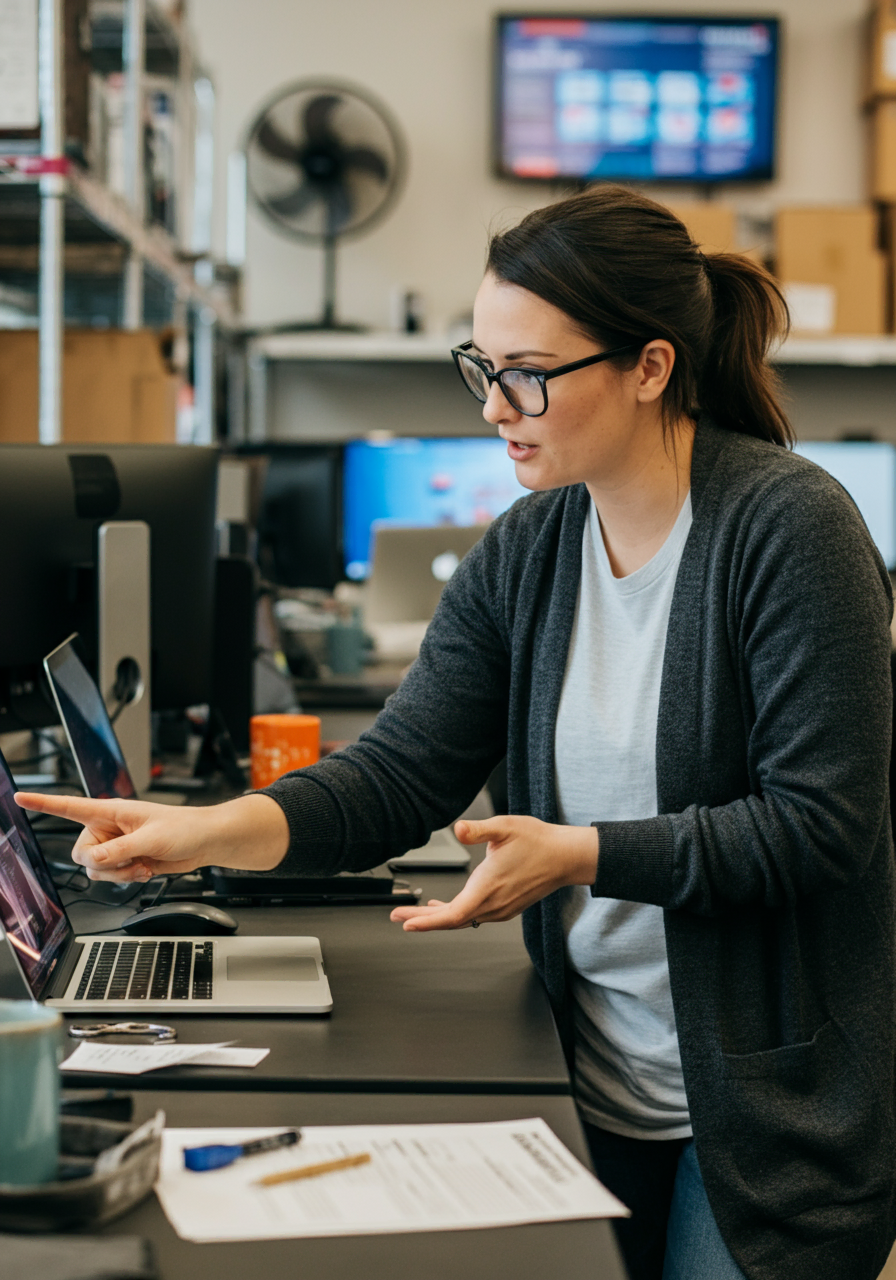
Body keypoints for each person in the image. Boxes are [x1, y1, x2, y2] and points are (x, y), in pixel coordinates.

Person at [19, 186, 896, 1280]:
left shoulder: (787, 529)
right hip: (590, 1066)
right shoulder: (527, 549)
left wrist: (579, 854)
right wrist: (202, 830)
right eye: (481, 367)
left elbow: (818, 825)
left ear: (650, 367)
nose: (493, 406)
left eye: (527, 373)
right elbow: (401, 771)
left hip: (767, 1109)